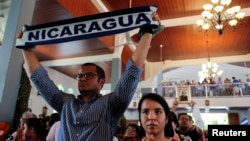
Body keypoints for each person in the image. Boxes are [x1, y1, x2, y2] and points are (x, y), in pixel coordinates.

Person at [18, 12, 161, 140]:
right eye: (79, 76)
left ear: (101, 82)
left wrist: (147, 33)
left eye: (88, 75)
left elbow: (132, 73)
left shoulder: (111, 104)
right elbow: (40, 80)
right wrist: (26, 49)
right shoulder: (65, 102)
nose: (83, 78)